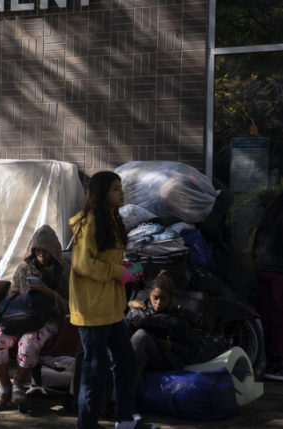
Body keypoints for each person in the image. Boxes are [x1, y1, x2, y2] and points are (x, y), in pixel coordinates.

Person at [69, 171, 151, 429]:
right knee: (94, 370)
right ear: (101, 192)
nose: (121, 193)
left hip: (113, 308)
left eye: (121, 187)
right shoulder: (90, 221)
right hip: (92, 310)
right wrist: (119, 272)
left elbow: (105, 260)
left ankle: (125, 420)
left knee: (126, 362)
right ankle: (87, 424)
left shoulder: (113, 220)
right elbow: (83, 265)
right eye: (115, 189)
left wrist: (127, 267)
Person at [0, 224, 69, 411]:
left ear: (53, 251)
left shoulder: (63, 271)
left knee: (29, 343)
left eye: (45, 251)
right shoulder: (24, 268)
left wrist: (47, 292)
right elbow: (12, 295)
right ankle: (5, 386)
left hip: (47, 320)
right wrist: (24, 298)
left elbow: (69, 306)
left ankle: (20, 384)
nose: (41, 255)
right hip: (20, 317)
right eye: (37, 250)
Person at [125, 271, 203, 404]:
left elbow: (194, 351)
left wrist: (173, 347)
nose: (158, 302)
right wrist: (131, 325)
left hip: (166, 361)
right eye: (155, 298)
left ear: (170, 299)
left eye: (163, 299)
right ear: (149, 294)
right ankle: (124, 405)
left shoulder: (178, 319)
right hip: (140, 356)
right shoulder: (139, 310)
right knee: (141, 356)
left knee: (141, 335)